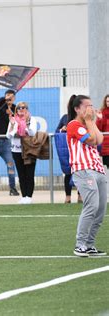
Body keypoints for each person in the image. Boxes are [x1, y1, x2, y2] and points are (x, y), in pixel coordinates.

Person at [67, 95, 107, 257]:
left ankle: (89, 244)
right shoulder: (74, 125)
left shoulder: (88, 124)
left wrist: (92, 122)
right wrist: (90, 122)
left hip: (97, 169)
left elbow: (99, 140)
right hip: (83, 170)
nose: (90, 109)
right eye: (87, 106)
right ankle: (80, 244)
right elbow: (90, 141)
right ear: (77, 109)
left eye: (92, 105)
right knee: (91, 206)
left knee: (100, 209)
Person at [6, 102, 37, 204]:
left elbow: (32, 132)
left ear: (27, 109)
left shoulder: (32, 119)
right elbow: (8, 136)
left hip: (29, 150)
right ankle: (24, 196)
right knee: (21, 174)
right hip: (16, 150)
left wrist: (27, 123)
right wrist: (13, 127)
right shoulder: (13, 120)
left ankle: (29, 196)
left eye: (23, 108)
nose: (20, 109)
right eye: (18, 108)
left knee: (29, 173)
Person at [55, 95, 82, 204]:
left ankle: (80, 195)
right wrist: (62, 129)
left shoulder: (81, 118)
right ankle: (68, 196)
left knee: (79, 172)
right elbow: (57, 131)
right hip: (66, 150)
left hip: (78, 149)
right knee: (68, 172)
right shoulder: (65, 118)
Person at [96, 94, 109, 167]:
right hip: (106, 146)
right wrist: (100, 119)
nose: (108, 103)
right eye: (107, 101)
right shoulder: (102, 113)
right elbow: (99, 129)